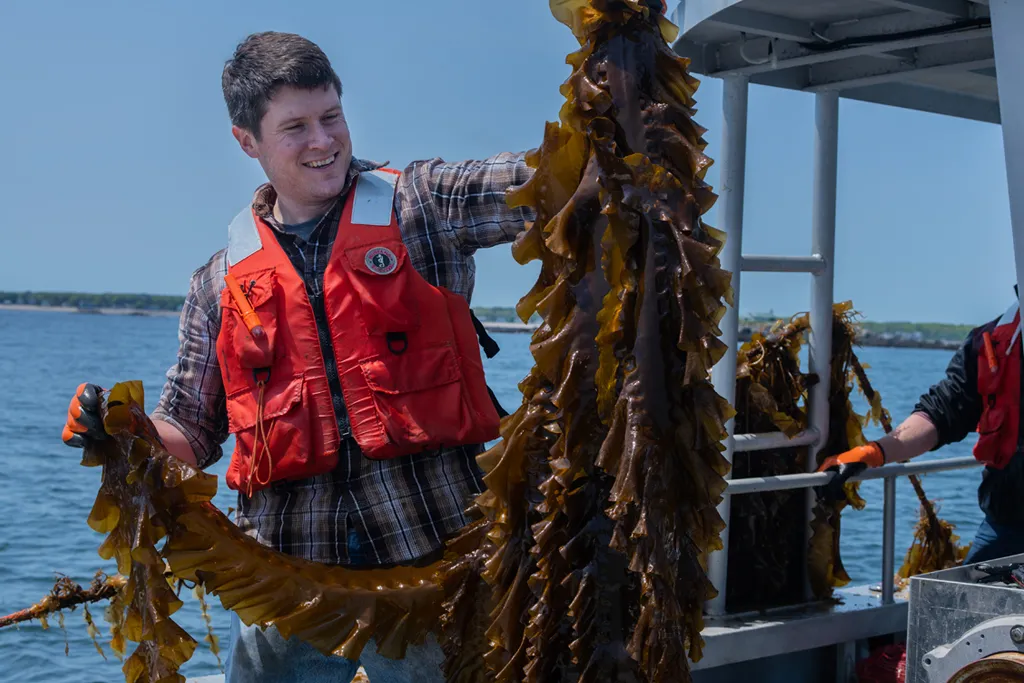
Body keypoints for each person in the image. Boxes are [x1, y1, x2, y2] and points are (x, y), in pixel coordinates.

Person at [61, 31, 535, 683]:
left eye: (331, 116)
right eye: (296, 127)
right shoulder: (218, 281)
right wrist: (120, 429)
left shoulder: (420, 205)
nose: (324, 141)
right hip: (283, 589)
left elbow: (535, 182)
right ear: (246, 141)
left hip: (434, 574)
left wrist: (617, 78)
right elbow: (190, 432)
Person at [821, 294, 1024, 565]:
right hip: (1008, 525)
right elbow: (941, 412)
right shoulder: (991, 342)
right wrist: (871, 453)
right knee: (961, 602)